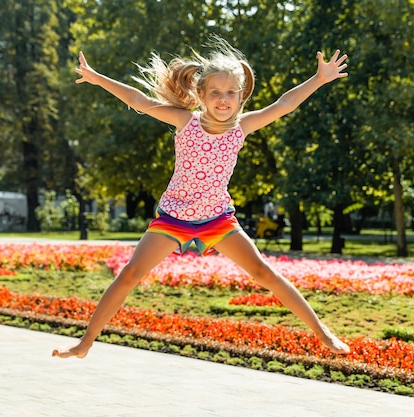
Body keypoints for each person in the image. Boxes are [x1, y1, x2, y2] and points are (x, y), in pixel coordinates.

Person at [53, 37, 350, 358]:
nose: (224, 99)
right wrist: (97, 79)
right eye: (215, 93)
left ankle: (323, 334)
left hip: (217, 219)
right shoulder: (185, 121)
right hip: (173, 218)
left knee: (265, 274)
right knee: (129, 276)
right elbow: (138, 100)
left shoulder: (242, 126)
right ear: (201, 96)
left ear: (241, 95)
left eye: (231, 93)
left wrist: (319, 79)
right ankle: (85, 343)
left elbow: (284, 104)